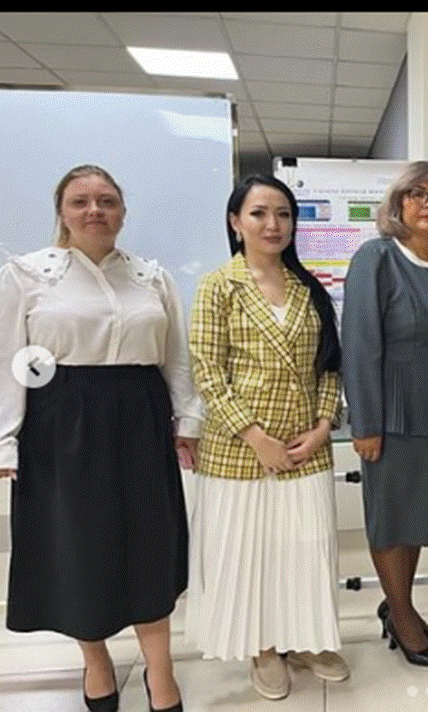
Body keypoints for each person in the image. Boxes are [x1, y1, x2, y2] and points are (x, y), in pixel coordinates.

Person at [0, 164, 200, 711]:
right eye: (81, 201)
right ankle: (96, 661)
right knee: (77, 548)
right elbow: (8, 363)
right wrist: (5, 440)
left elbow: (177, 358)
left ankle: (161, 671)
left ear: (123, 212)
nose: (95, 211)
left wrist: (188, 421)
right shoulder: (26, 275)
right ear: (62, 212)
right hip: (59, 425)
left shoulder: (151, 277)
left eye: (107, 201)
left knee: (150, 544)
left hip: (140, 418)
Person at [185, 174, 348, 700]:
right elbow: (208, 372)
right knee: (248, 553)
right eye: (258, 213)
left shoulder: (308, 288)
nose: (272, 224)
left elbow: (329, 367)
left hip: (306, 447)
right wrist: (256, 437)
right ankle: (263, 647)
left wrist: (322, 427)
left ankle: (303, 638)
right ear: (236, 222)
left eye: (282, 213)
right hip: (240, 451)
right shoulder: (218, 285)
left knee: (305, 550)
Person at [341, 161, 428, 669]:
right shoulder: (376, 258)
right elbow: (359, 344)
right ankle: (402, 618)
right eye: (417, 194)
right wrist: (365, 423)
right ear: (398, 203)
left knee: (416, 518)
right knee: (390, 521)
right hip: (392, 414)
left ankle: (400, 606)